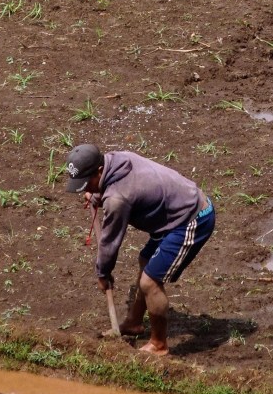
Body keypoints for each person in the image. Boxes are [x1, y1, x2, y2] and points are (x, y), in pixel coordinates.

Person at [65, 142, 215, 357]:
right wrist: (97, 195)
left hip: (192, 217)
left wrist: (103, 273)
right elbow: (117, 187)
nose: (85, 188)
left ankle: (159, 345)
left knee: (150, 281)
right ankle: (134, 323)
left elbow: (110, 241)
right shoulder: (117, 160)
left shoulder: (117, 199)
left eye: (87, 183)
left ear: (99, 170)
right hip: (171, 212)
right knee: (146, 262)